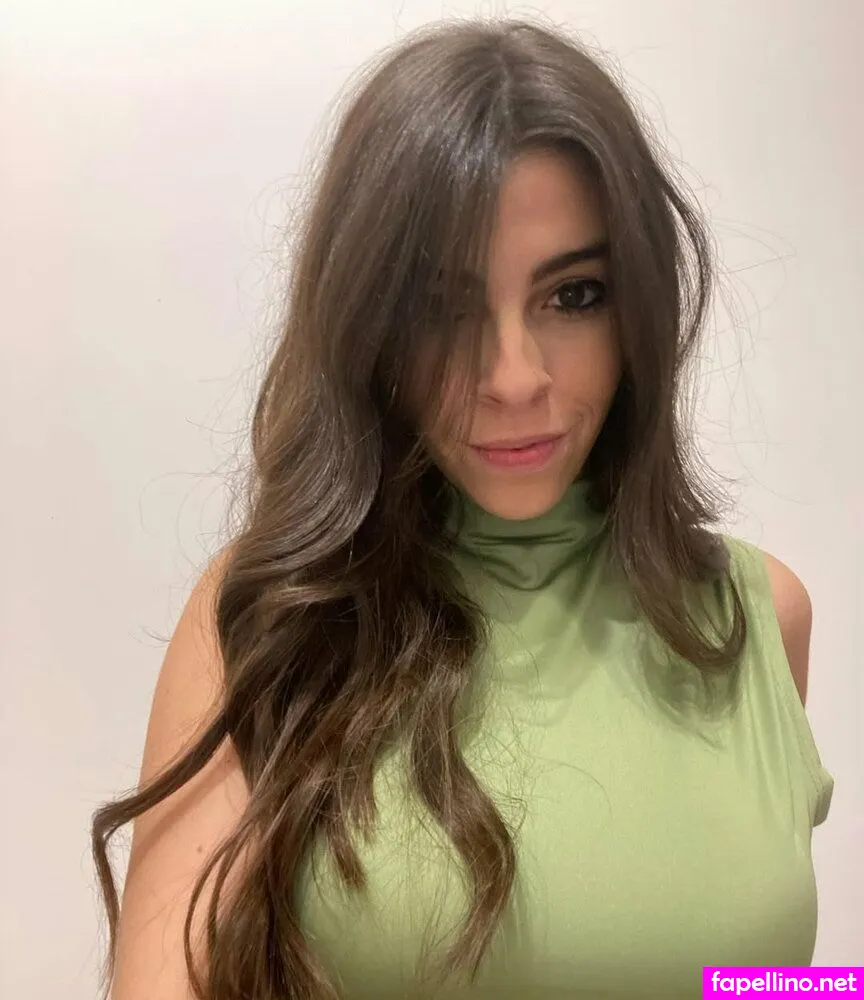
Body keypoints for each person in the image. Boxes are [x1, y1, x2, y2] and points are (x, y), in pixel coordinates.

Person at [91, 16, 834, 1000]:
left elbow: (756, 983)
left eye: (575, 295)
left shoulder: (757, 614)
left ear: (640, 307)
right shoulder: (274, 617)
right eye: (442, 308)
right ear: (369, 329)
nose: (514, 378)